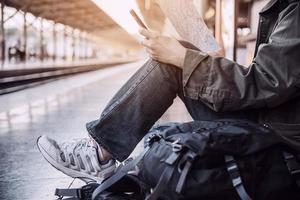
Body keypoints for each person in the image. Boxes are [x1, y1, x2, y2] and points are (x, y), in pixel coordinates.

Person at [37, 0, 300, 183]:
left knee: (173, 64)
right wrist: (187, 55)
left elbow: (261, 83)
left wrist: (182, 58)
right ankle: (101, 151)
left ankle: (99, 154)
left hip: (280, 145)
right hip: (269, 123)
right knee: (180, 55)